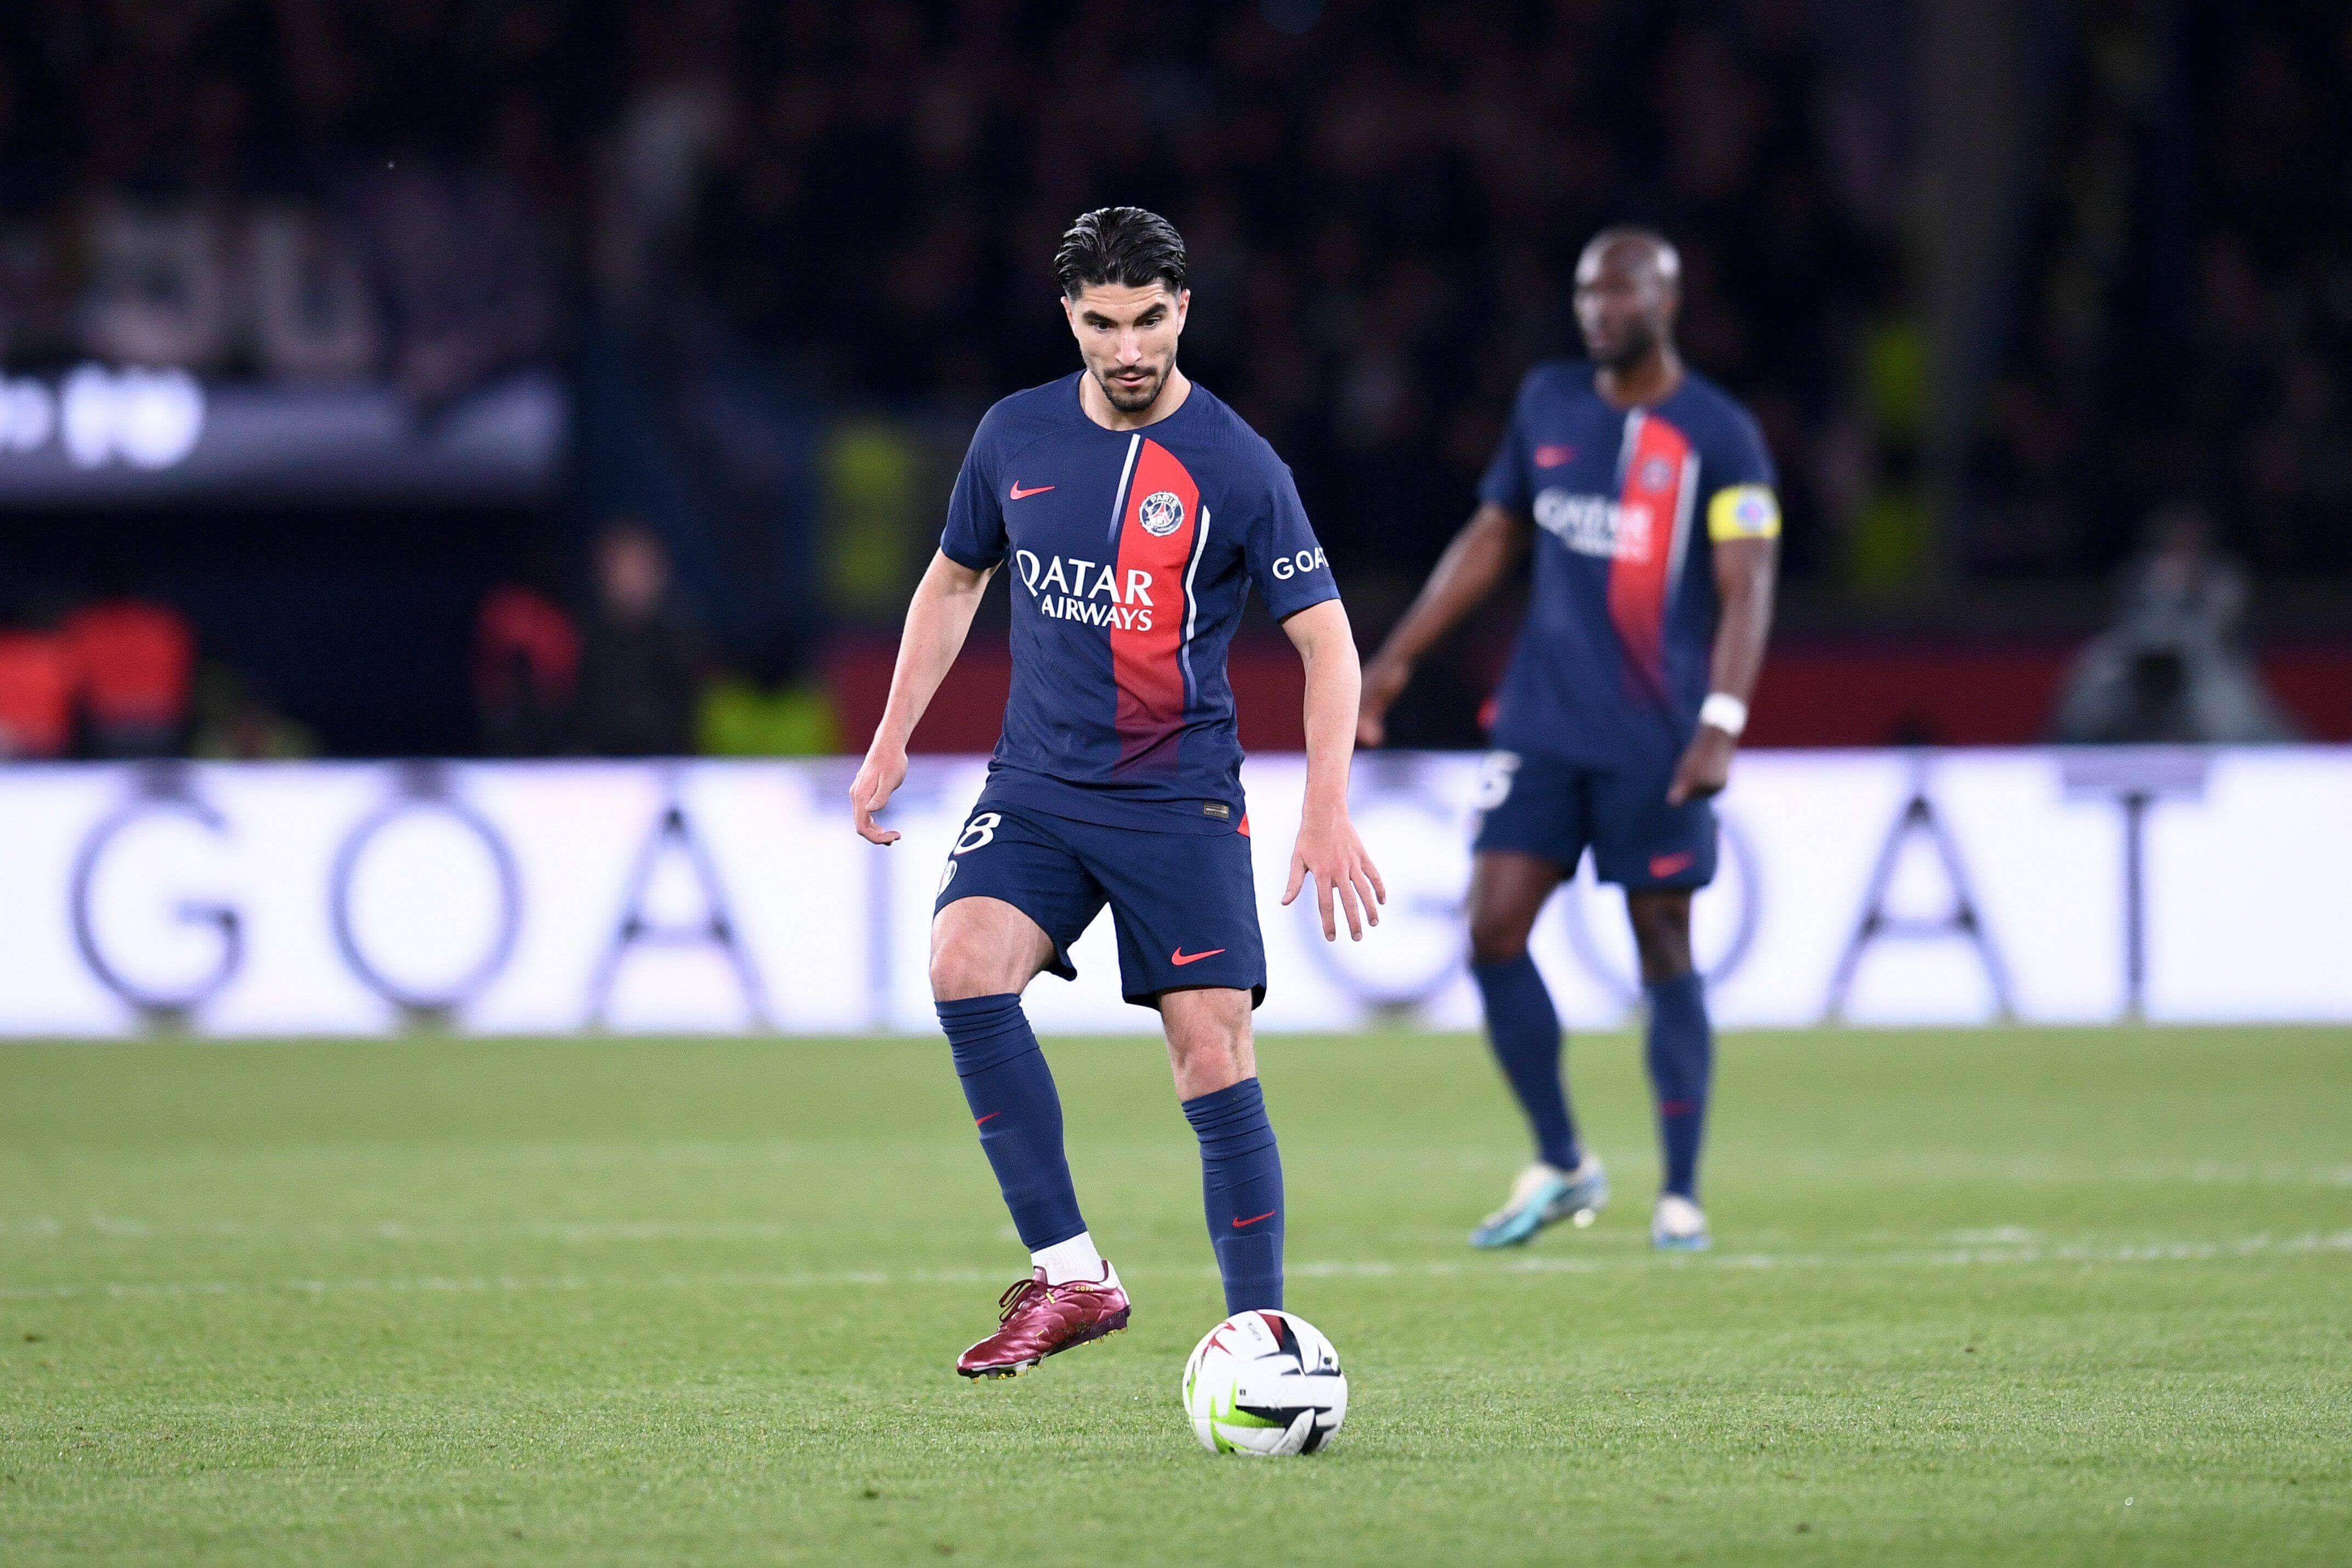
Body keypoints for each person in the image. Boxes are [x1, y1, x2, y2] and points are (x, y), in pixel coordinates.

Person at [850, 207, 1384, 1378]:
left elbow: (1328, 645)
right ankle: (1073, 1274)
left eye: (1149, 319)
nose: (1129, 346)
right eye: (1103, 322)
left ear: (1183, 309)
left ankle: (1261, 1342)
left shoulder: (1237, 465)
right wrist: (892, 736)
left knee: (1211, 1050)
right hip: (1037, 782)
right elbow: (952, 581)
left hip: (1174, 798)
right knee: (958, 963)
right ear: (1069, 318)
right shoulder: (1013, 436)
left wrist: (1324, 808)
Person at [1356, 228, 1780, 1253]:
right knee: (1492, 929)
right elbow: (1495, 535)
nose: (1598, 309)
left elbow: (1746, 582)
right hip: (1543, 724)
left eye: (1620, 293)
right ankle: (1563, 1159)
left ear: (1665, 302)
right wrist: (1398, 655)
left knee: (1662, 943)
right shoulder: (1548, 401)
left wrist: (1722, 721)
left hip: (1656, 735)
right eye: (1588, 292)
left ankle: (1681, 1192)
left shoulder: (1718, 435)